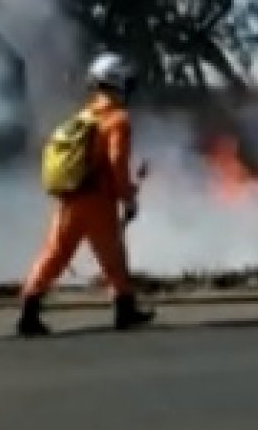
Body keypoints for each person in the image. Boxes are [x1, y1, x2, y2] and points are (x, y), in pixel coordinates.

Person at [16, 52, 155, 336]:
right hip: (97, 201)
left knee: (54, 253)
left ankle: (29, 310)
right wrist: (127, 196)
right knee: (113, 255)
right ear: (115, 83)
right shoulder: (117, 120)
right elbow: (116, 164)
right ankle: (125, 310)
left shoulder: (83, 116)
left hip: (69, 198)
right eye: (126, 83)